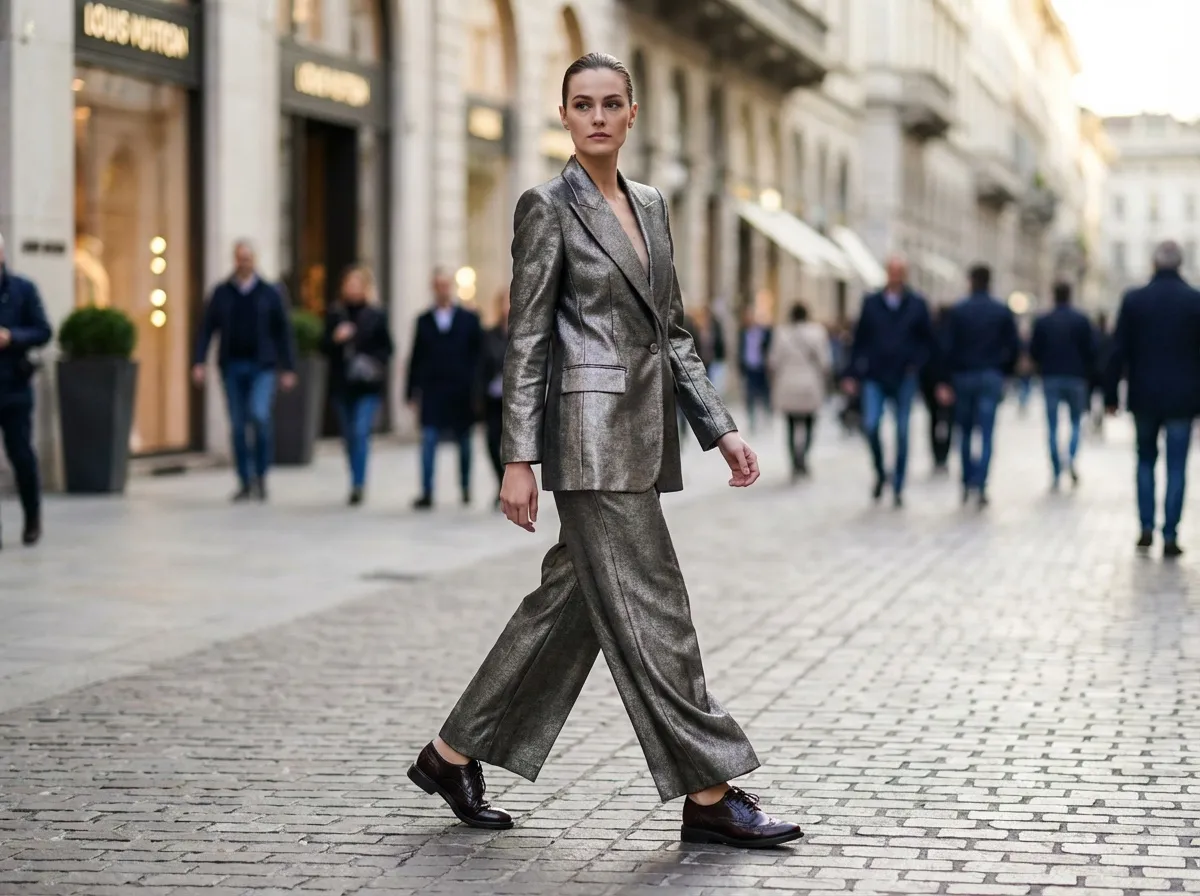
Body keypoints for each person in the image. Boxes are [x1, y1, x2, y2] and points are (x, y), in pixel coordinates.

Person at [407, 52, 801, 849]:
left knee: (572, 604)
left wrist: (719, 428)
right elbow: (525, 339)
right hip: (586, 439)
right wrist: (519, 457)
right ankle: (709, 791)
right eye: (581, 103)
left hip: (643, 433)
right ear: (564, 116)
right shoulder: (545, 207)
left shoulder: (652, 206)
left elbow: (673, 332)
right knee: (657, 609)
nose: (595, 115)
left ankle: (449, 755)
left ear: (631, 115)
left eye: (610, 103)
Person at [1105, 240, 1200, 558]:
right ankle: (1170, 533)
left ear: (1153, 264)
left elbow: (1118, 351)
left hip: (1144, 395)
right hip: (1184, 399)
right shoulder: (1194, 301)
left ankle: (1146, 526)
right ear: (1181, 264)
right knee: (1177, 466)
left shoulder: (1134, 300)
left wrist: (1109, 395)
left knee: (1145, 460)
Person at [192, 240, 297, 502]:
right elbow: (207, 329)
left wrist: (288, 367)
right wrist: (199, 361)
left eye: (248, 258)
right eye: (240, 258)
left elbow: (283, 332)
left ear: (255, 260)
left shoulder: (270, 293)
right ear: (234, 260)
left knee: (259, 416)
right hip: (232, 366)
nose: (244, 263)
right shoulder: (221, 293)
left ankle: (261, 475)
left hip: (263, 367)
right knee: (238, 425)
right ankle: (244, 480)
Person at [842, 255, 937, 507]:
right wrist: (851, 373)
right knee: (871, 425)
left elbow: (928, 341)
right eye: (892, 271)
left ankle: (898, 485)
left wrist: (916, 364)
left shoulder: (917, 304)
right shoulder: (872, 303)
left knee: (903, 432)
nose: (895, 275)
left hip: (904, 377)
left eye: (900, 271)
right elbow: (859, 339)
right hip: (875, 375)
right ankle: (880, 472)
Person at [942, 264, 1020, 507]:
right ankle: (981, 483)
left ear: (971, 281)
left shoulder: (959, 310)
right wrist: (1004, 371)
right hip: (990, 376)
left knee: (964, 432)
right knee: (986, 433)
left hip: (964, 376)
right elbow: (1015, 346)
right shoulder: (1001, 311)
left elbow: (947, 346)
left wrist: (947, 378)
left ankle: (967, 481)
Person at [405, 268, 482, 510]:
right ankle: (427, 491)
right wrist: (410, 391)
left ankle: (465, 487)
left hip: (461, 390)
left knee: (465, 441)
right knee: (428, 439)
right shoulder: (423, 320)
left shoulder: (469, 320)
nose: (442, 289)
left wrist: (476, 390)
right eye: (438, 285)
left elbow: (478, 357)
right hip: (432, 389)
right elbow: (415, 357)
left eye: (446, 285)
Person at [321, 265, 394, 505]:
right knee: (349, 436)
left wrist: (370, 360)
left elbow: (388, 349)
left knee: (360, 431)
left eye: (357, 285)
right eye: (348, 284)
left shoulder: (375, 315)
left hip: (367, 385)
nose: (352, 289)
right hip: (342, 385)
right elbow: (322, 349)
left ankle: (358, 484)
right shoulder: (335, 314)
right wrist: (335, 338)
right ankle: (354, 476)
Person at [0, 232, 52, 549]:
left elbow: (44, 330)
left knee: (21, 456)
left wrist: (11, 337)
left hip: (15, 388)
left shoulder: (22, 290)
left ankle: (32, 517)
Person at [1029, 281, 1095, 490]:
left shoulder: (1043, 320)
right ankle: (1070, 456)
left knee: (1052, 426)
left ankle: (1056, 469)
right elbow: (1091, 350)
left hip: (1051, 376)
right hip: (1076, 376)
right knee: (1076, 422)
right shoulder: (1081, 320)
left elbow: (1034, 350)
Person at [767, 302, 831, 478]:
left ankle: (795, 461)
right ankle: (804, 457)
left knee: (790, 425)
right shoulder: (817, 332)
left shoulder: (781, 333)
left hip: (787, 384)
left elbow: (773, 361)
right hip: (810, 384)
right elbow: (825, 362)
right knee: (810, 423)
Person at [477, 288, 510, 508]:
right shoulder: (489, 335)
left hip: (515, 403)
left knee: (510, 447)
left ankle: (509, 485)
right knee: (491, 444)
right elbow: (480, 367)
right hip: (493, 398)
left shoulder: (526, 334)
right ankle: (501, 480)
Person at [920, 305, 954, 473]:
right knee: (947, 420)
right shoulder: (949, 335)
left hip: (931, 383)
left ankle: (938, 455)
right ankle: (942, 455)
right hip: (944, 382)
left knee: (934, 420)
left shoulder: (931, 334)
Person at [738, 303, 772, 433]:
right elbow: (741, 349)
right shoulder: (743, 333)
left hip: (761, 366)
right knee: (750, 394)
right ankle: (752, 419)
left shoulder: (765, 332)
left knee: (764, 393)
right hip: (749, 367)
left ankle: (766, 415)